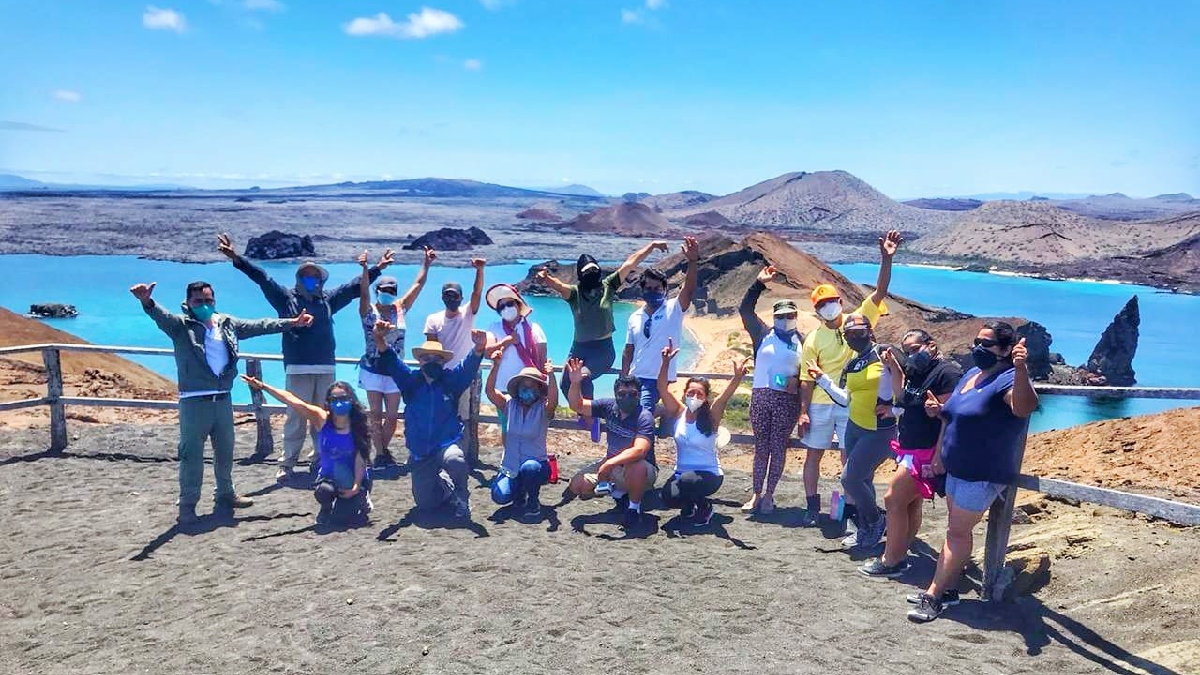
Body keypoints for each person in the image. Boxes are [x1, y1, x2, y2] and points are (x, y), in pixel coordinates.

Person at [129, 280, 313, 525]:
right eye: (198, 301)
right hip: (194, 402)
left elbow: (260, 325)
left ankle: (225, 494)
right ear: (188, 303)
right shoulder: (181, 326)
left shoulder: (227, 323)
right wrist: (146, 301)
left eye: (208, 300)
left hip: (223, 399)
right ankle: (187, 506)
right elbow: (160, 317)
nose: (204, 305)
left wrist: (292, 323)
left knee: (225, 452)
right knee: (191, 456)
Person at [217, 233, 392, 481]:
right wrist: (237, 258)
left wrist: (377, 268)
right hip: (297, 366)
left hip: (325, 366)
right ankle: (288, 462)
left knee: (324, 417)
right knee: (296, 416)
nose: (311, 280)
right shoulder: (285, 298)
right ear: (299, 278)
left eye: (315, 276)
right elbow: (263, 279)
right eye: (306, 276)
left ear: (321, 280)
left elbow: (354, 288)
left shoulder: (328, 300)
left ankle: (319, 459)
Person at [907, 322, 1037, 623]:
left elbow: (1024, 407)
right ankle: (949, 588)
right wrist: (938, 411)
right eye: (976, 342)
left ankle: (933, 596)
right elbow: (956, 414)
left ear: (1006, 349)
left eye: (986, 344)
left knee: (956, 532)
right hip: (956, 468)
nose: (978, 348)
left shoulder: (1007, 378)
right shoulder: (972, 374)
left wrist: (1021, 369)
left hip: (981, 472)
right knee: (955, 531)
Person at [796, 230, 902, 526]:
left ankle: (852, 511)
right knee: (813, 455)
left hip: (851, 403)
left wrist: (886, 259)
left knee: (850, 458)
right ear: (816, 310)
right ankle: (812, 506)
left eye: (830, 301)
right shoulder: (813, 338)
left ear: (840, 301)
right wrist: (803, 411)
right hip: (820, 403)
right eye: (821, 304)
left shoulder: (858, 322)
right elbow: (806, 378)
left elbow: (880, 291)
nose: (827, 307)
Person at [859, 329, 961, 579]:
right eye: (907, 352)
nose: (911, 355)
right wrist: (895, 366)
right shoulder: (917, 371)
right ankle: (900, 551)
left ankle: (892, 559)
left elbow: (949, 418)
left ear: (931, 345)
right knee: (910, 503)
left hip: (927, 450)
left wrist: (939, 455)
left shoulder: (948, 373)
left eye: (915, 349)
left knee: (893, 499)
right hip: (910, 445)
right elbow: (902, 396)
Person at [368, 319, 489, 519]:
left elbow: (468, 367)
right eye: (426, 358)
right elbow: (391, 360)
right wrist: (379, 338)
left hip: (447, 443)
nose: (431, 361)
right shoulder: (410, 381)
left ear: (443, 362)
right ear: (419, 361)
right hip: (421, 450)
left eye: (436, 358)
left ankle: (462, 494)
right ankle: (446, 485)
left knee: (455, 459)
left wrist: (479, 347)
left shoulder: (451, 381)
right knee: (426, 503)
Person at [806, 313, 904, 549]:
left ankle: (877, 520)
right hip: (854, 427)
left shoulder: (885, 353)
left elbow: (907, 388)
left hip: (879, 430)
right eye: (848, 334)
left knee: (849, 479)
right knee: (863, 479)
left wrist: (896, 410)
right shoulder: (852, 364)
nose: (853, 337)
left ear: (869, 331)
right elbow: (845, 400)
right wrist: (822, 380)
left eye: (859, 332)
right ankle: (865, 528)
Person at [536, 242, 670, 402]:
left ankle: (590, 413)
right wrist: (545, 278)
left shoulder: (608, 286)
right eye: (587, 272)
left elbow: (631, 262)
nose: (591, 274)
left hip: (602, 351)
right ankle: (582, 412)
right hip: (578, 349)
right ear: (580, 274)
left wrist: (652, 246)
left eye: (594, 270)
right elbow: (557, 285)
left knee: (583, 377)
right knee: (565, 383)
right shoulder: (574, 294)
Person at [242, 377, 373, 526]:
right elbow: (292, 400)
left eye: (343, 398)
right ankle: (326, 507)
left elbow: (361, 460)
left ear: (351, 399)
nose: (339, 403)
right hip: (329, 477)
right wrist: (263, 386)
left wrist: (355, 487)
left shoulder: (359, 424)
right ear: (328, 402)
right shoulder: (322, 419)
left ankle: (362, 496)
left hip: (354, 478)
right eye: (334, 399)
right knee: (323, 491)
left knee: (343, 519)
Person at [357, 246, 435, 467]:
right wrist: (365, 269)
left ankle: (382, 451)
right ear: (377, 290)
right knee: (375, 414)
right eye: (384, 289)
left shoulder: (400, 309)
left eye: (392, 290)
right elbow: (363, 291)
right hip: (372, 369)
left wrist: (426, 264)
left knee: (392, 416)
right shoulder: (368, 310)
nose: (388, 293)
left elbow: (418, 285)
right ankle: (381, 454)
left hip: (395, 371)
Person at [657, 340, 747, 526]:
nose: (694, 397)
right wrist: (665, 363)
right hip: (681, 473)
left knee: (687, 481)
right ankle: (689, 506)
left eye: (699, 394)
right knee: (667, 496)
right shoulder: (678, 412)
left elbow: (724, 397)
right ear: (684, 393)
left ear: (706, 398)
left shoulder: (711, 417)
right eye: (691, 393)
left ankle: (705, 507)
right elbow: (662, 388)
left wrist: (737, 377)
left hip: (709, 475)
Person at [738, 264, 804, 515]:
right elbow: (745, 310)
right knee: (760, 448)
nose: (785, 320)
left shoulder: (803, 341)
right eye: (780, 316)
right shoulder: (762, 334)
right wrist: (758, 284)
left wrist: (796, 381)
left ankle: (769, 495)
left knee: (778, 448)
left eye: (789, 315)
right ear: (774, 317)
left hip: (787, 401)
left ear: (796, 316)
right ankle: (756, 493)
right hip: (761, 397)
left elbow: (809, 372)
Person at [565, 358, 659, 531]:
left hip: (641, 469)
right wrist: (575, 383)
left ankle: (633, 508)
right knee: (578, 485)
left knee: (636, 465)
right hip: (612, 465)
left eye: (632, 394)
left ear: (639, 395)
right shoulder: (608, 406)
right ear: (615, 395)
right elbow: (577, 405)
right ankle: (619, 493)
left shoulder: (644, 417)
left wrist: (609, 464)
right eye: (622, 394)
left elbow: (640, 450)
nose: (627, 398)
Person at [621, 237, 699, 414]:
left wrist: (693, 262)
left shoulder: (673, 308)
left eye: (657, 288)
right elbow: (628, 351)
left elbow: (689, 290)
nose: (652, 292)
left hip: (658, 379)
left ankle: (665, 416)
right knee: (631, 415)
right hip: (635, 378)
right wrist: (623, 378)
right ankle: (666, 417)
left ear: (664, 290)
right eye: (648, 288)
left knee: (643, 413)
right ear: (642, 290)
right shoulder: (634, 317)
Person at [423, 257, 487, 459]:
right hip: (441, 375)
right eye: (448, 295)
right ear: (442, 297)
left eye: (455, 295)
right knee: (440, 413)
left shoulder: (467, 314)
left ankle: (463, 455)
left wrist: (479, 270)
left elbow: (477, 293)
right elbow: (431, 349)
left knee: (464, 416)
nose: (451, 299)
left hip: (464, 374)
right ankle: (439, 452)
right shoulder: (433, 319)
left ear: (461, 297)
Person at [485, 357, 557, 516]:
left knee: (529, 468)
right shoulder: (509, 404)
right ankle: (519, 491)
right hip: (510, 467)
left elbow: (553, 402)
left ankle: (533, 501)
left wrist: (551, 376)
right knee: (499, 496)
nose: (527, 390)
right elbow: (490, 391)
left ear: (539, 389)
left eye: (532, 386)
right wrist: (495, 366)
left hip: (537, 465)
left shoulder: (543, 409)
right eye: (524, 386)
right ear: (517, 388)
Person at [483, 283, 548, 425]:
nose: (506, 308)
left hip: (532, 389)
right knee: (507, 429)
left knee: (533, 428)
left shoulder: (534, 329)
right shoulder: (494, 328)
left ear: (518, 304)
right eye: (501, 307)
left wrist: (544, 389)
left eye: (509, 304)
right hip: (503, 390)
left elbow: (542, 361)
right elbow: (487, 352)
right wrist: (508, 341)